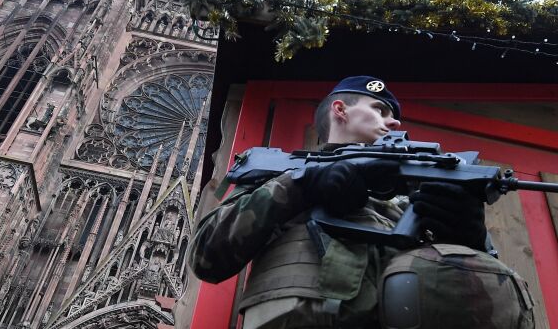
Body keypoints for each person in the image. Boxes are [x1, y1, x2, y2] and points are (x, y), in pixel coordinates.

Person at [188, 76, 535, 328]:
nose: (394, 121)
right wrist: (302, 185)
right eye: (380, 109)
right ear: (340, 110)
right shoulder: (283, 173)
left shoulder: (412, 193)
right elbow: (206, 255)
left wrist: (471, 241)